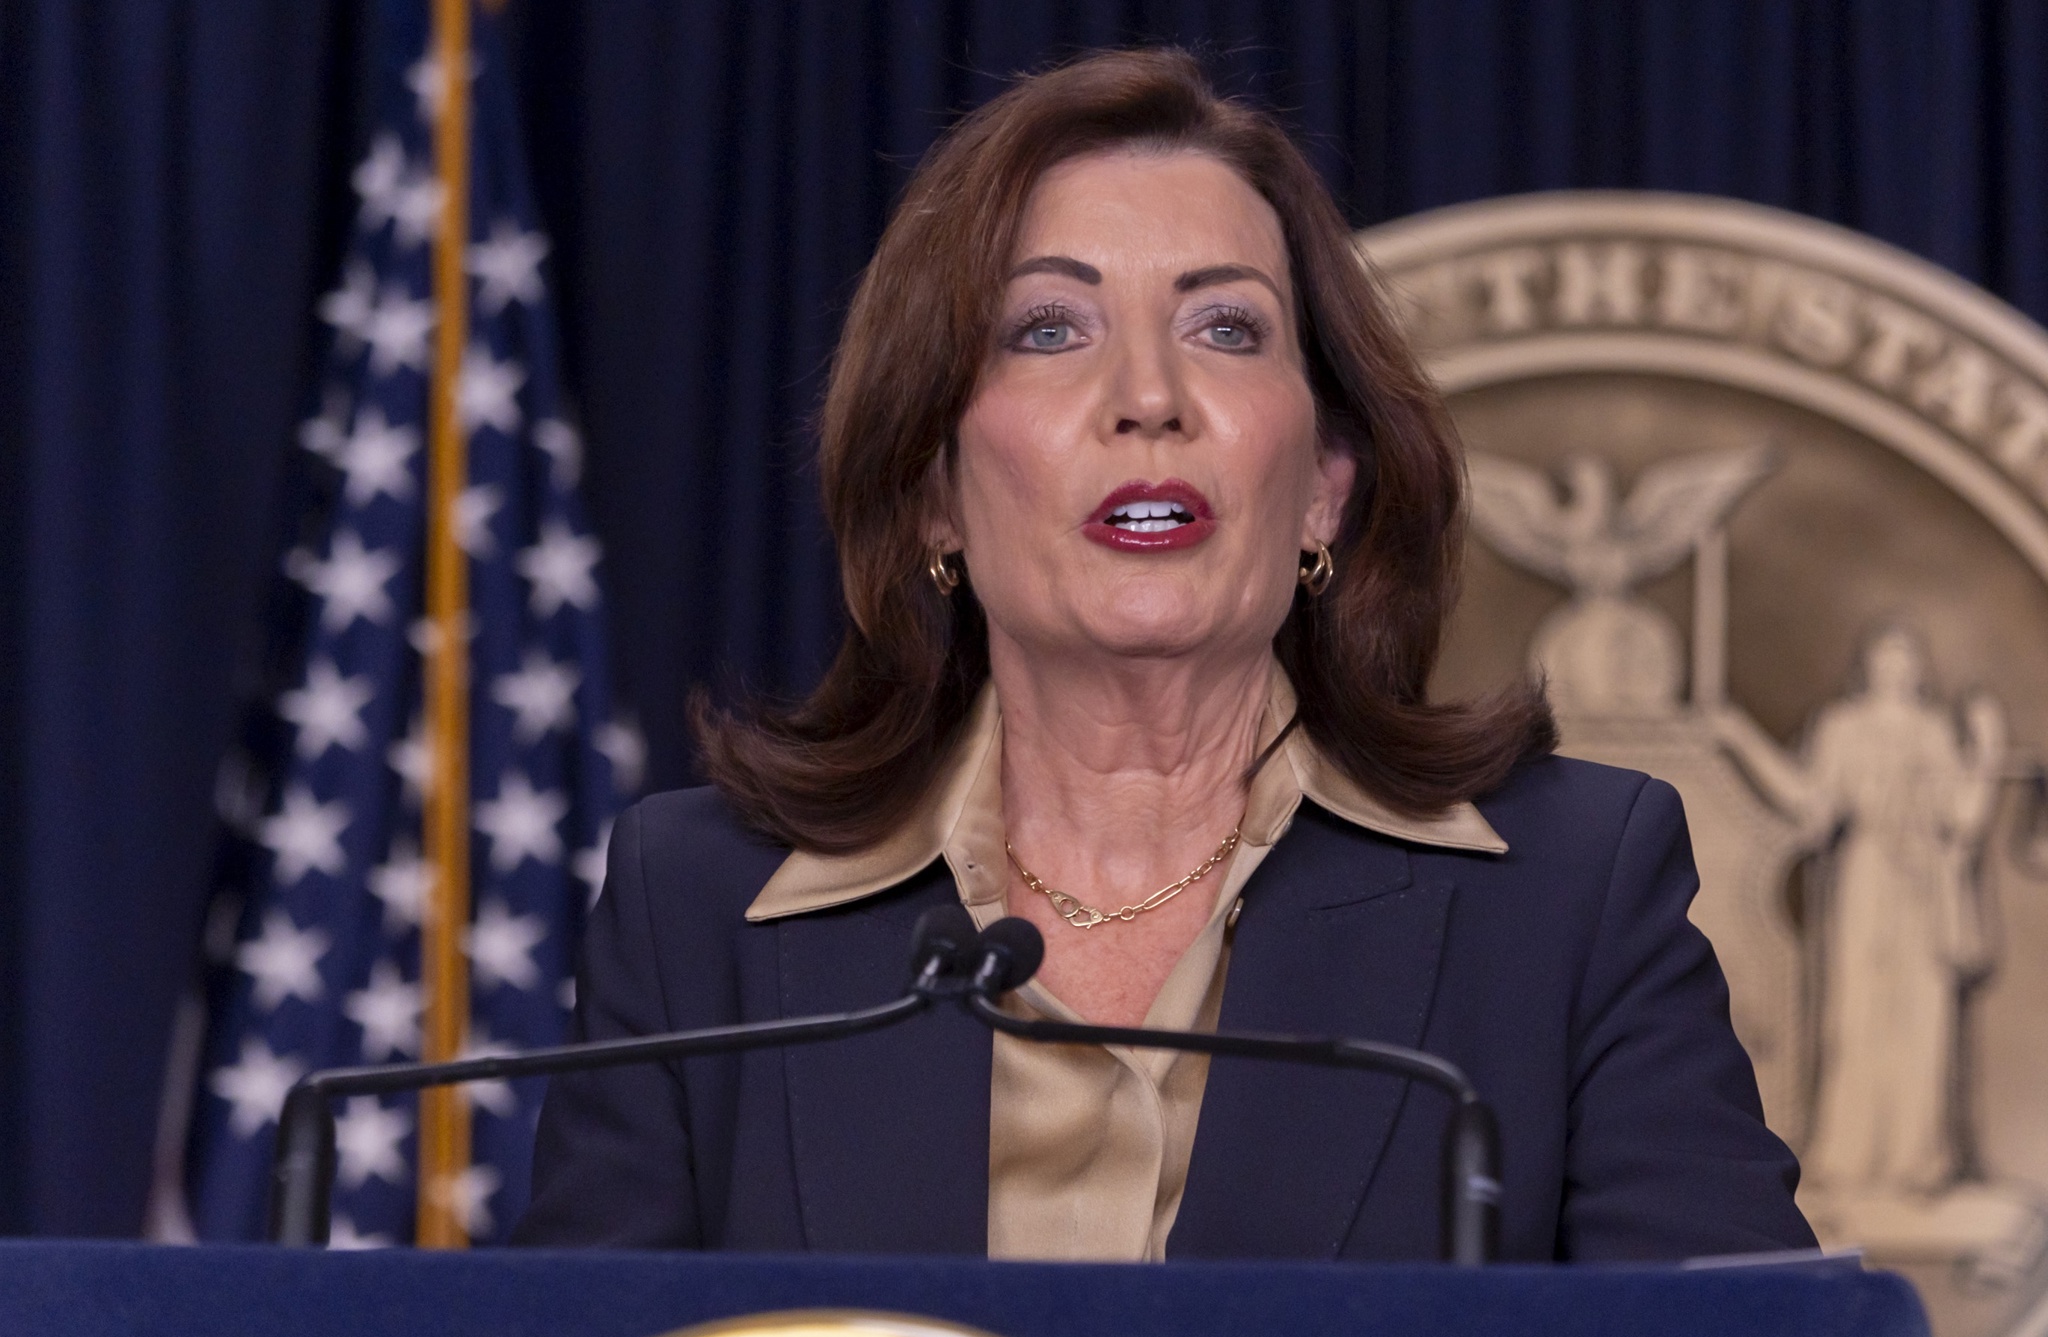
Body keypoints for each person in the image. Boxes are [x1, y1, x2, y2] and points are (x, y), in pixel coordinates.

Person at [515, 48, 1814, 1262]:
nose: (1148, 397)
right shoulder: (701, 915)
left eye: (1225, 329)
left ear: (1323, 488)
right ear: (933, 494)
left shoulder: (1571, 899)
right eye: (1048, 328)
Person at [1713, 626, 2004, 1197]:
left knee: (1923, 1021)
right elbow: (1811, 804)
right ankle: (1849, 1158)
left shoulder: (1933, 730)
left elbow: (1965, 817)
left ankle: (1917, 1160)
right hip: (1865, 882)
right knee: (1855, 1015)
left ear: (1919, 667)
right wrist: (1742, 738)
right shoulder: (1841, 726)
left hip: (1923, 892)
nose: (1896, 666)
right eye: (1885, 654)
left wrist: (1987, 750)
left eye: (1906, 654)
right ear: (1866, 664)